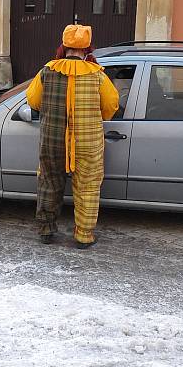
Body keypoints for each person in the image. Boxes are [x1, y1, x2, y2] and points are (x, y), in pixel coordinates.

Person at [26, 24, 119, 249]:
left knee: (49, 182)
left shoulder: (47, 71)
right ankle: (84, 236)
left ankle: (46, 230)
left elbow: (33, 101)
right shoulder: (98, 75)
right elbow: (110, 106)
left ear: (64, 46)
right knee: (87, 186)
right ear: (87, 48)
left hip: (52, 141)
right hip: (87, 143)